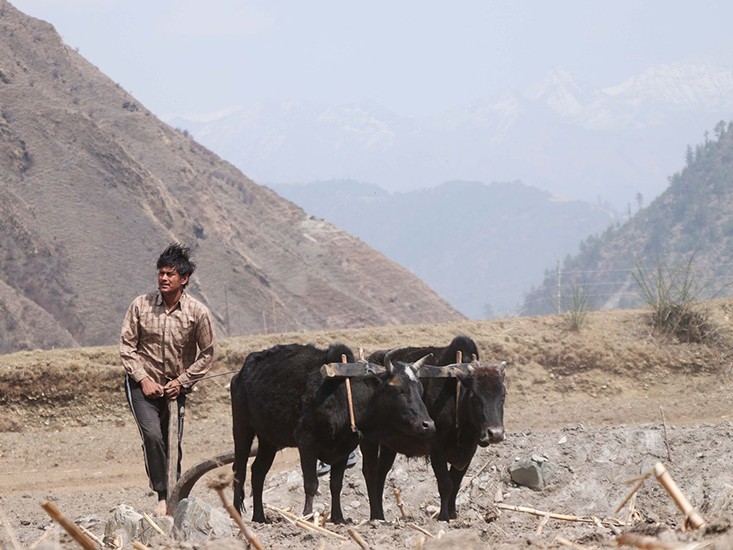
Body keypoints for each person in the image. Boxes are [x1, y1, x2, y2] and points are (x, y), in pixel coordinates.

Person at [120, 243, 216, 516]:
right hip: (141, 385)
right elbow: (127, 347)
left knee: (172, 440)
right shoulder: (141, 305)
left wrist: (183, 381)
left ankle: (175, 495)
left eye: (170, 274)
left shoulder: (198, 312)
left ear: (183, 279)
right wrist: (143, 378)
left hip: (175, 388)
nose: (163, 278)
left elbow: (208, 354)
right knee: (152, 435)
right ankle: (162, 495)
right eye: (161, 273)